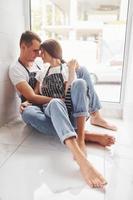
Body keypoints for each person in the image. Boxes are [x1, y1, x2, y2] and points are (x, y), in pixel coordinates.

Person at [9, 30, 115, 188]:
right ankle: (83, 135)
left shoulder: (42, 64)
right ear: (23, 47)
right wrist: (30, 103)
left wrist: (72, 70)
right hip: (42, 107)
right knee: (30, 113)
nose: (39, 55)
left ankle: (94, 117)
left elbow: (68, 89)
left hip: (65, 109)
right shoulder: (17, 69)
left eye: (41, 51)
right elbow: (33, 95)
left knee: (82, 75)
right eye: (35, 51)